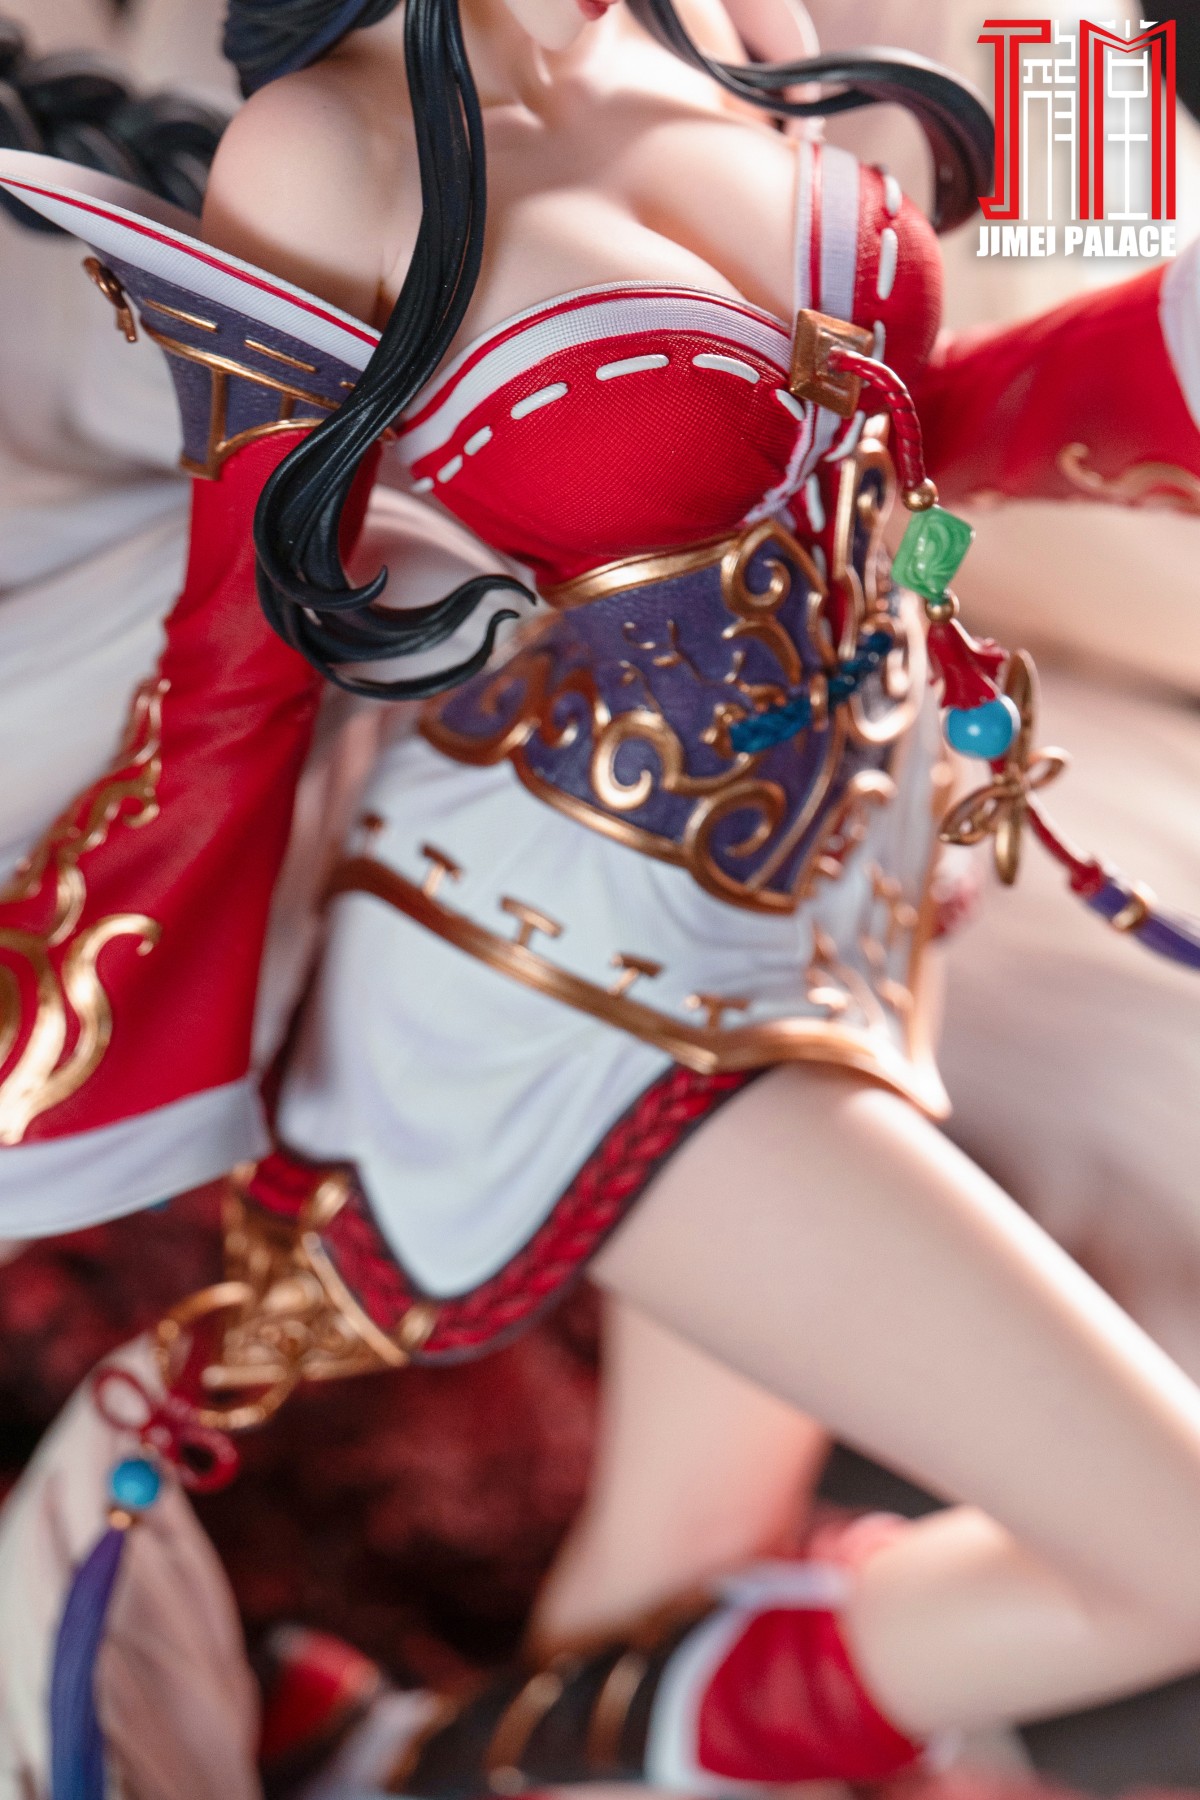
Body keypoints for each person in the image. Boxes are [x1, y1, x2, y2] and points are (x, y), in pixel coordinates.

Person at [6, 0, 1200, 1790]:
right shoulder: (322, 153)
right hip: (567, 982)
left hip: (850, 903)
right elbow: (241, 642)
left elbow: (906, 435)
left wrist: (1168, 347)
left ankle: (423, 1764)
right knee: (1174, 1547)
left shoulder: (712, 21)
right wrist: (104, 1050)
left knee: (669, 1586)